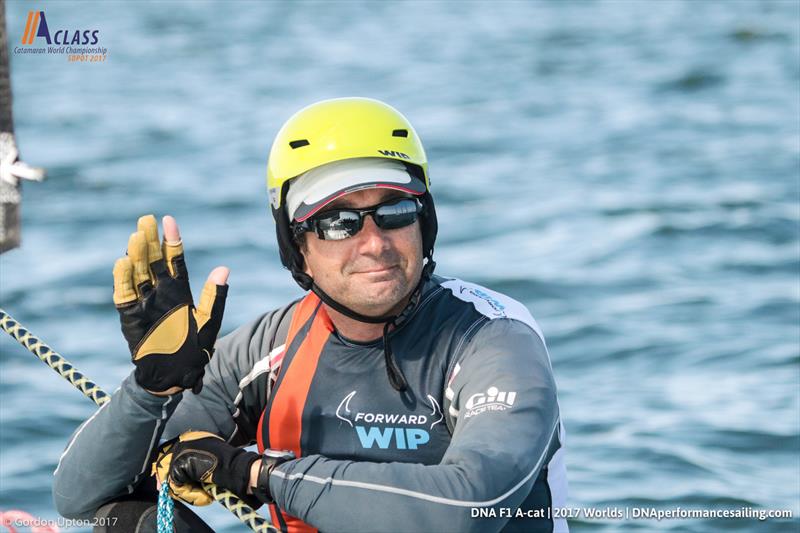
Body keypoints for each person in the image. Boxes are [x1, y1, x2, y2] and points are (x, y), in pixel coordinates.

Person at [53, 97, 568, 533]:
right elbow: (79, 499)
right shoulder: (265, 351)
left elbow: (469, 505)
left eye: (394, 211)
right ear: (296, 246)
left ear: (425, 221)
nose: (374, 244)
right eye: (340, 222)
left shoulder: (494, 338)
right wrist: (150, 392)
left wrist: (259, 476)